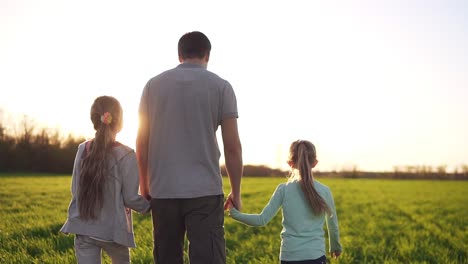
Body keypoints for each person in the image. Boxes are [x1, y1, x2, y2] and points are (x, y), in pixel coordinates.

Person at [136, 31, 243, 264]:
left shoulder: (152, 86)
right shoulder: (221, 86)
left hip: (163, 190)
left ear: (179, 55)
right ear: (207, 55)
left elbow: (142, 141)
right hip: (205, 191)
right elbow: (232, 146)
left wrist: (144, 184)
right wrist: (236, 191)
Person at [61, 96, 150, 264]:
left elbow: (75, 190)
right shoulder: (127, 154)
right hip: (113, 232)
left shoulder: (82, 149)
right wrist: (149, 206)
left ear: (94, 119)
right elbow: (130, 198)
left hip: (83, 228)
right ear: (120, 121)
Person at [226, 140, 342, 264]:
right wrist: (335, 247)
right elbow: (332, 225)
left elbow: (261, 220)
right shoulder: (324, 191)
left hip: (289, 257)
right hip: (315, 256)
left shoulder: (284, 190)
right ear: (315, 163)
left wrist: (234, 213)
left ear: (290, 163)